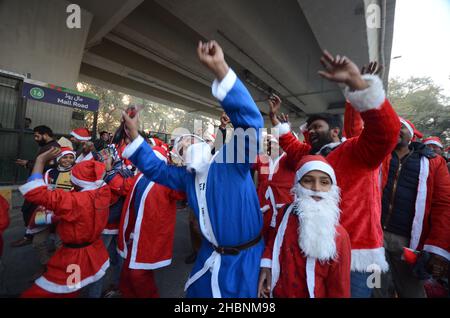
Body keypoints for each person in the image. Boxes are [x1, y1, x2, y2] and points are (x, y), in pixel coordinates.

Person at [120, 40, 264, 298]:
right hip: (209, 259)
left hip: (246, 263)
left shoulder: (230, 160)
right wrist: (134, 135)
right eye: (180, 146)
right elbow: (154, 169)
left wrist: (220, 68)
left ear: (205, 144)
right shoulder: (185, 178)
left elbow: (250, 124)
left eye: (189, 139)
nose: (184, 144)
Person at [269, 51, 400, 297]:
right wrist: (277, 123)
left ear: (335, 131)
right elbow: (293, 147)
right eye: (309, 128)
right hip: (314, 252)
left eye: (317, 126)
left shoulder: (356, 151)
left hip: (356, 260)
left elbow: (385, 133)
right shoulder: (314, 157)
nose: (311, 131)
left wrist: (360, 87)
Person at [371, 118, 450, 298]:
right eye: (392, 126)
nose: (396, 130)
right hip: (375, 239)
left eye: (402, 128)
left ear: (412, 135)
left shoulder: (433, 162)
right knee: (375, 287)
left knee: (411, 290)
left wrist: (437, 247)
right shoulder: (378, 156)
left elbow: (444, 205)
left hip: (407, 244)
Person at [19, 149, 110, 298]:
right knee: (74, 286)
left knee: (68, 289)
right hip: (93, 249)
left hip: (74, 257)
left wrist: (40, 161)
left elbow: (34, 193)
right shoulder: (103, 191)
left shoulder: (75, 201)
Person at [258, 155, 351, 298]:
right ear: (297, 185)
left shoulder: (340, 236)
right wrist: (267, 264)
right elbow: (273, 240)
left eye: (324, 182)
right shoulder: (284, 213)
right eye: (308, 181)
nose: (316, 188)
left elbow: (339, 287)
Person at [105, 145, 185, 297]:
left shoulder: (168, 179)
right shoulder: (140, 176)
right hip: (132, 234)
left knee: (138, 276)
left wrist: (187, 169)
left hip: (148, 236)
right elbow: (122, 187)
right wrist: (109, 170)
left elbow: (182, 192)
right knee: (127, 274)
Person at [26, 147, 76, 279]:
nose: (68, 160)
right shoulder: (49, 172)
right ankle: (46, 266)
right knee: (38, 242)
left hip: (65, 214)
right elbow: (42, 190)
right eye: (65, 157)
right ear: (58, 159)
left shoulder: (77, 173)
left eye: (71, 157)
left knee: (60, 244)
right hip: (46, 211)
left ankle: (58, 271)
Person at [12, 125, 60, 248]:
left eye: (37, 136)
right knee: (30, 211)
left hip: (42, 185)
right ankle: (31, 235)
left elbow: (48, 166)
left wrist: (29, 163)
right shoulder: (46, 147)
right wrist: (28, 163)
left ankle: (32, 236)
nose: (35, 138)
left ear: (45, 135)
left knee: (31, 211)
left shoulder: (53, 147)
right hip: (37, 182)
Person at [253, 130, 295, 241]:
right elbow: (245, 161)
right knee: (261, 239)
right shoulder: (262, 160)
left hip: (282, 209)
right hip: (262, 209)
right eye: (268, 143)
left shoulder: (289, 161)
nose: (270, 146)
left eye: (273, 143)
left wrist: (286, 132)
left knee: (281, 240)